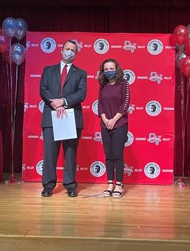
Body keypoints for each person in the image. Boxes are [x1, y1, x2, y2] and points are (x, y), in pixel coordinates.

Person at [40, 40, 87, 197]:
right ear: (61, 50)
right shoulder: (48, 70)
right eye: (67, 49)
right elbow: (43, 89)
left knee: (70, 154)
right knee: (49, 153)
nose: (69, 52)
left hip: (70, 117)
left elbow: (81, 94)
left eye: (73, 50)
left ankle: (70, 185)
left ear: (76, 54)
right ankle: (48, 186)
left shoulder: (81, 73)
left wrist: (64, 102)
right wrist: (55, 103)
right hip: (51, 116)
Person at [97, 58, 130, 198]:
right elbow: (100, 105)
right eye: (106, 69)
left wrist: (113, 120)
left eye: (111, 68)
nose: (109, 71)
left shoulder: (124, 84)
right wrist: (105, 120)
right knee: (108, 155)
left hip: (119, 123)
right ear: (103, 71)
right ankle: (110, 183)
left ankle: (119, 184)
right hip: (105, 125)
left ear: (116, 69)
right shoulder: (103, 85)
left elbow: (125, 103)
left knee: (117, 154)